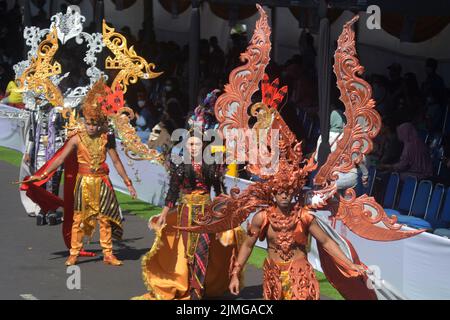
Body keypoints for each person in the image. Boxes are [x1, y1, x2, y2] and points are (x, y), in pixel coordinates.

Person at [22, 80, 137, 266]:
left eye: (95, 123)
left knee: (104, 218)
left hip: (102, 182)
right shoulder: (76, 138)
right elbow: (59, 159)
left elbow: (116, 161)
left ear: (100, 123)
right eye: (89, 123)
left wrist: (128, 182)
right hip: (83, 182)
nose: (91, 126)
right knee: (78, 219)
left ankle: (108, 253)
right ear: (84, 120)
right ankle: (74, 253)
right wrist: (43, 174)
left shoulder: (106, 138)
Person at [134, 130, 244, 300]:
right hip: (186, 213)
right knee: (189, 252)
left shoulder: (211, 166)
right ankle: (190, 285)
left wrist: (224, 210)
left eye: (197, 144)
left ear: (204, 146)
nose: (193, 147)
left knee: (203, 250)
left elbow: (219, 190)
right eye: (190, 144)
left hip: (206, 213)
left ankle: (197, 291)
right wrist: (164, 214)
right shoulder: (180, 166)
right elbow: (173, 191)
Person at [229, 184, 365, 300]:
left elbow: (327, 242)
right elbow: (247, 245)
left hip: (300, 276)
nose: (284, 196)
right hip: (273, 276)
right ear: (273, 193)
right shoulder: (262, 217)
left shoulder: (304, 217)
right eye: (280, 192)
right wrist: (236, 273)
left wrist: (349, 264)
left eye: (287, 192)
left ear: (293, 192)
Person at [314, 109, 369, 191]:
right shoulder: (349, 138)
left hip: (326, 176)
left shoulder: (323, 136)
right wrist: (365, 173)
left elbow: (317, 158)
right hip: (346, 176)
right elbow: (358, 158)